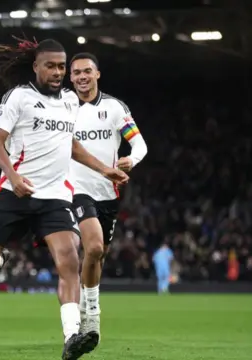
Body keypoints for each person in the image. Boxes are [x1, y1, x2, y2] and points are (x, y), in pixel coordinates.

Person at [0, 37, 129, 360]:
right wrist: (12, 177)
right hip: (14, 193)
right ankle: (0, 261)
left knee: (69, 262)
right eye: (51, 66)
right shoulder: (19, 97)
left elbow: (71, 146)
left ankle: (72, 336)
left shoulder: (71, 101)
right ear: (36, 67)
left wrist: (104, 170)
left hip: (55, 196)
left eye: (61, 66)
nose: (57, 72)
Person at [68, 52, 148, 344]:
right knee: (94, 246)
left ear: (97, 74)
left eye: (87, 71)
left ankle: (85, 306)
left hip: (108, 194)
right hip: (75, 189)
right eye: (76, 72)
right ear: (71, 77)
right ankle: (91, 316)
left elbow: (139, 144)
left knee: (97, 255)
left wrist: (131, 160)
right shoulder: (64, 107)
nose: (81, 77)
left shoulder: (114, 108)